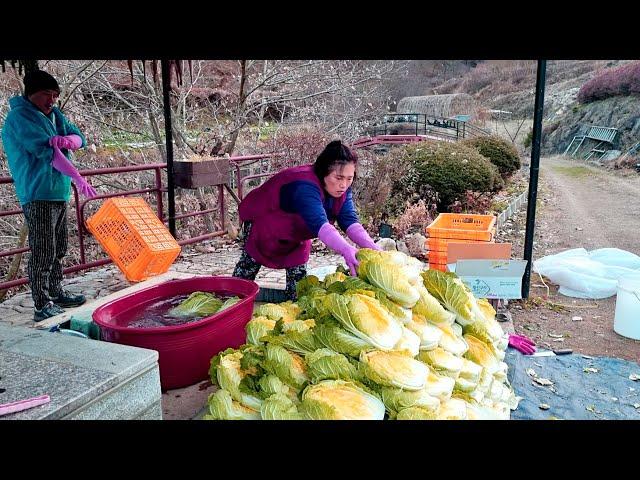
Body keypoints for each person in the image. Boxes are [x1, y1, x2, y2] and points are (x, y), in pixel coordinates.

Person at [1, 70, 97, 322]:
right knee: (43, 249)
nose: (51, 100)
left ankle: (55, 290)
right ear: (32, 93)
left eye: (54, 95)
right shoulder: (19, 118)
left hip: (58, 191)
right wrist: (78, 178)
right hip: (37, 191)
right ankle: (41, 303)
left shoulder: (54, 115)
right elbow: (49, 154)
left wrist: (69, 141)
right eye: (46, 94)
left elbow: (80, 137)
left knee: (59, 246)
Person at [233, 140, 381, 300]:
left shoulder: (342, 190)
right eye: (338, 177)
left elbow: (350, 221)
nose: (343, 184)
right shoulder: (304, 185)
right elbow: (321, 225)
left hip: (298, 234)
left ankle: (292, 313)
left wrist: (375, 249)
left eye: (349, 178)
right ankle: (229, 306)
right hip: (266, 225)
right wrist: (346, 250)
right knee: (246, 270)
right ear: (324, 172)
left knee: (298, 285)